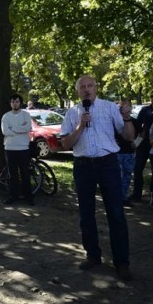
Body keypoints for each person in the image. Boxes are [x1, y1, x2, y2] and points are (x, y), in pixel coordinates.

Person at [60, 76, 135, 281]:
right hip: (83, 166)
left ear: (96, 88)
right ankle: (93, 255)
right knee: (86, 213)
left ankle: (122, 262)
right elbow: (66, 144)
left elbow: (128, 136)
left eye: (90, 85)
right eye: (82, 87)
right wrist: (80, 126)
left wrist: (127, 118)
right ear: (77, 92)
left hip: (108, 164)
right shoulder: (73, 112)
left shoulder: (110, 107)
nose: (86, 89)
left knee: (116, 213)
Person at [131, 89, 153, 203]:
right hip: (143, 143)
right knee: (137, 168)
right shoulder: (145, 110)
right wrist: (138, 137)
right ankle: (137, 194)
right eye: (151, 96)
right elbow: (137, 124)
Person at [1, 93, 34, 205]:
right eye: (13, 102)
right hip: (10, 148)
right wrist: (20, 129)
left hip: (23, 148)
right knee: (12, 174)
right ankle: (13, 195)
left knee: (25, 173)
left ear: (20, 103)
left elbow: (28, 128)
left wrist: (13, 129)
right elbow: (5, 131)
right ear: (10, 103)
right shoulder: (6, 116)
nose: (15, 104)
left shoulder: (26, 115)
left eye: (17, 101)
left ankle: (28, 196)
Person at [115, 98, 138, 207]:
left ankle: (124, 197)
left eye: (127, 106)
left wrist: (137, 143)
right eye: (121, 106)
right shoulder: (114, 120)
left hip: (129, 153)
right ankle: (116, 197)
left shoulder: (133, 120)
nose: (124, 108)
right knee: (116, 176)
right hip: (116, 153)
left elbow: (142, 133)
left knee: (127, 176)